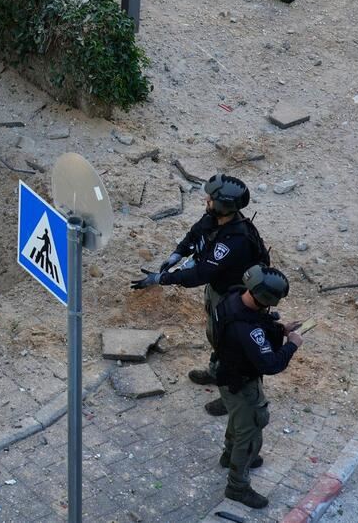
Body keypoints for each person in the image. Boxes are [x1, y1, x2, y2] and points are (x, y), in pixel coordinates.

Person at [130, 174, 269, 416]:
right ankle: (216, 373)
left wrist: (161, 279)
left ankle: (233, 396)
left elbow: (199, 274)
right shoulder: (217, 219)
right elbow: (195, 234)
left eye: (211, 198)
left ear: (224, 205)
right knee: (217, 337)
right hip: (221, 290)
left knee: (236, 349)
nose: (206, 199)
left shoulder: (234, 241)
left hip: (239, 302)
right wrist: (176, 254)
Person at [211, 265, 303, 509]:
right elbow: (270, 364)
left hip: (224, 372)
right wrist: (292, 344)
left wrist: (280, 330)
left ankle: (229, 455)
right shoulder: (248, 329)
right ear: (266, 299)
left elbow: (254, 322)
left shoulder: (233, 297)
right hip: (242, 384)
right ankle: (237, 487)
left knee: (237, 419)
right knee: (250, 433)